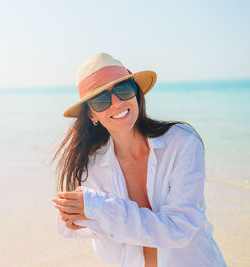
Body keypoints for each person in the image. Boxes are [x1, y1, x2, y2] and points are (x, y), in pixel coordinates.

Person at [51, 53, 226, 267]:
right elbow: (106, 248)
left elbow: (181, 229)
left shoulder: (182, 142)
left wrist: (101, 211)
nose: (116, 103)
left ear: (136, 93)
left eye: (123, 90)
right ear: (92, 115)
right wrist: (79, 217)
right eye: (101, 100)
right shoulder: (93, 167)